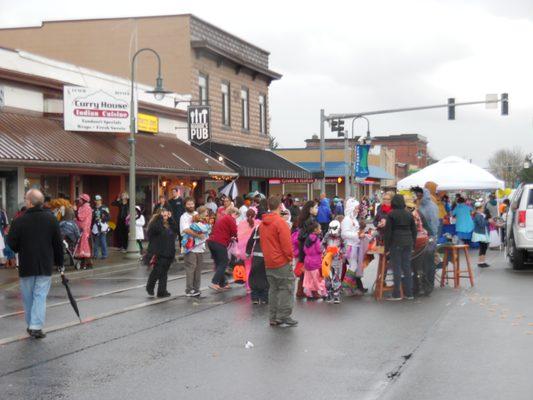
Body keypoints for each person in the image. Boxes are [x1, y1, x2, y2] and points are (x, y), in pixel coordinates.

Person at [6, 189, 63, 339]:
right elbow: (58, 244)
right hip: (45, 263)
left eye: (26, 199)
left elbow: (11, 243)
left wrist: (20, 248)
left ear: (30, 202)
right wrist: (60, 263)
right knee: (40, 295)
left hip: (26, 264)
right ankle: (35, 326)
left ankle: (32, 325)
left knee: (28, 297)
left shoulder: (19, 220)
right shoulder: (51, 219)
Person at [260, 196, 297, 327]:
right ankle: (284, 316)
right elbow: (287, 246)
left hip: (268, 261)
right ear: (280, 206)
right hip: (281, 261)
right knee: (286, 288)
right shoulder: (281, 223)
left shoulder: (262, 223)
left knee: (273, 289)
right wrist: (290, 258)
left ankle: (273, 316)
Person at [384, 194, 417, 301]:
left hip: (396, 242)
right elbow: (414, 230)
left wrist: (386, 247)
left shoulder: (391, 214)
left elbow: (388, 232)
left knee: (397, 268)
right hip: (408, 242)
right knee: (407, 267)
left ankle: (397, 294)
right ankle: (409, 293)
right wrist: (413, 243)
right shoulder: (409, 214)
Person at [146, 208, 179, 297]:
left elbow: (176, 229)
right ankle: (150, 286)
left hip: (169, 251)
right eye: (163, 214)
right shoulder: (155, 224)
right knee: (158, 270)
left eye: (166, 214)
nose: (165, 216)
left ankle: (162, 291)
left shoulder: (169, 224)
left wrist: (170, 219)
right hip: (159, 252)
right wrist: (160, 218)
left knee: (164, 272)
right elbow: (155, 230)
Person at [180, 198, 209, 297]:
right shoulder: (183, 217)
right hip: (189, 247)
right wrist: (198, 235)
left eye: (192, 203)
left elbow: (206, 225)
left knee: (198, 269)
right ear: (185, 205)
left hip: (200, 246)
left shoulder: (198, 214)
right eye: (188, 204)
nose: (191, 206)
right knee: (191, 268)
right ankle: (189, 290)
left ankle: (197, 288)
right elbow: (186, 230)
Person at [208, 207, 239, 291]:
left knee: (218, 262)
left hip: (211, 241)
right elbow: (235, 232)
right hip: (219, 242)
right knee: (224, 262)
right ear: (234, 213)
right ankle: (215, 282)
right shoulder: (230, 219)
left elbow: (224, 231)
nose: (236, 218)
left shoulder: (223, 218)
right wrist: (239, 240)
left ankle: (223, 283)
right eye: (237, 216)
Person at [341, 198, 366, 295]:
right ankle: (345, 286)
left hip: (355, 244)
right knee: (354, 266)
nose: (357, 210)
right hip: (350, 246)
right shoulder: (347, 220)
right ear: (351, 208)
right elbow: (344, 234)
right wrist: (357, 235)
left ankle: (352, 287)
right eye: (356, 208)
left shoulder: (353, 219)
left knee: (354, 266)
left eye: (358, 208)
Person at [296, 200, 318, 298]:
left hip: (303, 247)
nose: (317, 209)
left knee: (305, 269)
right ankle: (313, 292)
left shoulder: (305, 219)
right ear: (310, 209)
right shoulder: (310, 220)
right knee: (312, 270)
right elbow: (310, 235)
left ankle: (300, 290)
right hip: (309, 248)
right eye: (316, 207)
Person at [237, 208, 260, 292]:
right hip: (256, 249)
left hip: (244, 250)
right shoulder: (258, 223)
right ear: (255, 214)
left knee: (247, 267)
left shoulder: (241, 224)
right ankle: (256, 284)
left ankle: (248, 286)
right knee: (257, 268)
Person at [322, 220, 343, 303]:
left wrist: (340, 251)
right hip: (328, 258)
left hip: (337, 259)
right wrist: (324, 251)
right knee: (327, 276)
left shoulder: (341, 236)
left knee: (336, 276)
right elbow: (323, 243)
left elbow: (345, 246)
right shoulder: (327, 235)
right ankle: (329, 293)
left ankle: (336, 295)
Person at [246, 222, 268, 304]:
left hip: (257, 255)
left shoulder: (258, 227)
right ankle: (264, 298)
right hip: (268, 255)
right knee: (266, 276)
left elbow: (251, 241)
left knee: (254, 276)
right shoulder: (274, 226)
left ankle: (255, 297)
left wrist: (248, 252)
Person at [75, 194, 93, 269]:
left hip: (84, 229)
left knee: (84, 247)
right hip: (81, 229)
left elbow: (80, 217)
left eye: (80, 199)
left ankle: (87, 264)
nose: (79, 200)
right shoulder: (83, 207)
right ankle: (85, 264)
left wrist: (75, 210)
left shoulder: (86, 207)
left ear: (84, 200)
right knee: (82, 246)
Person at [472, 202, 491, 268]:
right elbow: (482, 224)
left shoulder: (480, 215)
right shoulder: (478, 215)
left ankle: (482, 261)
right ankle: (480, 262)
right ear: (479, 209)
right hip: (480, 234)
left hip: (482, 233)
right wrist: (488, 221)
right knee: (483, 247)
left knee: (484, 247)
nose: (483, 209)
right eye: (482, 208)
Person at [91, 195, 110, 260]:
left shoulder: (104, 208)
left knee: (103, 241)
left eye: (99, 200)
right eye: (96, 200)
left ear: (101, 200)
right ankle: (95, 255)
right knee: (95, 242)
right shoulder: (93, 209)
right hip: (96, 226)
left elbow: (108, 217)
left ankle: (104, 254)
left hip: (103, 226)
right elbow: (92, 219)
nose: (97, 201)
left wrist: (103, 219)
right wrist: (91, 226)